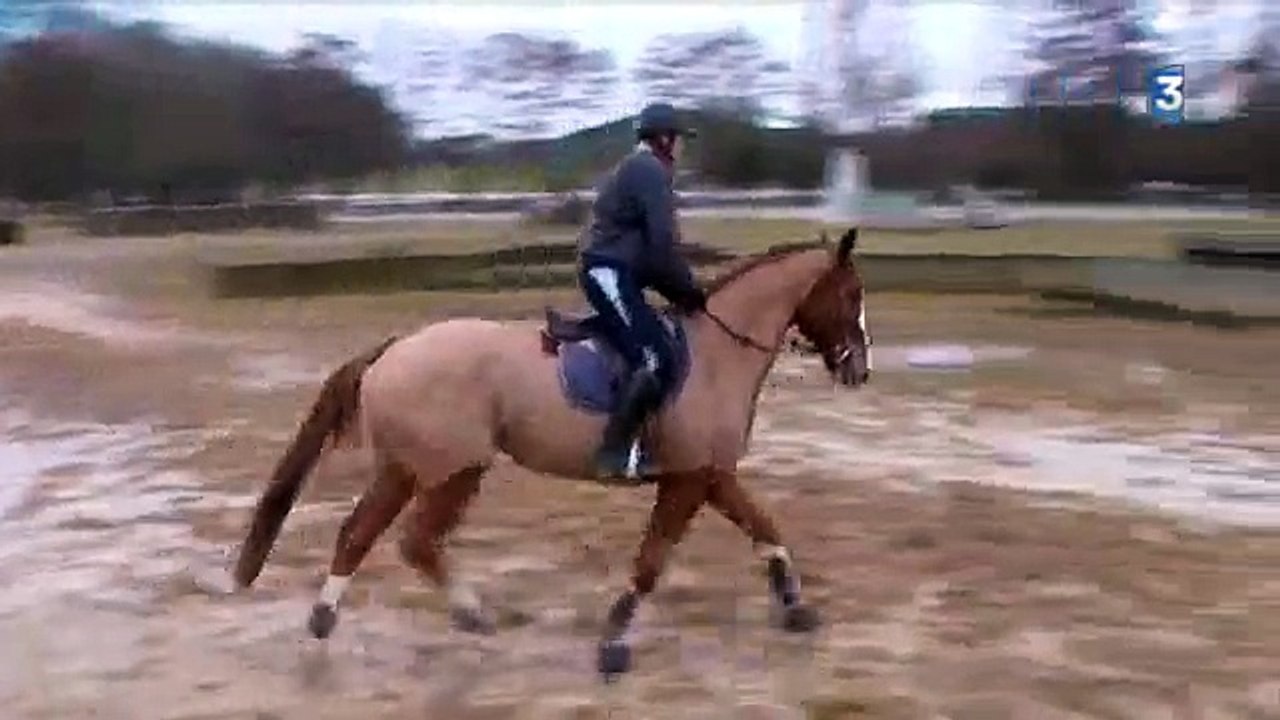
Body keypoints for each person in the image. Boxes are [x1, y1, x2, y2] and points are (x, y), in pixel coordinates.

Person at [577, 101, 708, 481]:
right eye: (680, 139)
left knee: (658, 345)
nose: (682, 147)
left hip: (621, 271)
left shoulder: (648, 169)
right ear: (664, 139)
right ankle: (614, 452)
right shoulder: (649, 170)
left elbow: (656, 252)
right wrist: (686, 290)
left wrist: (682, 289)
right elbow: (661, 246)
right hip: (608, 271)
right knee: (653, 357)